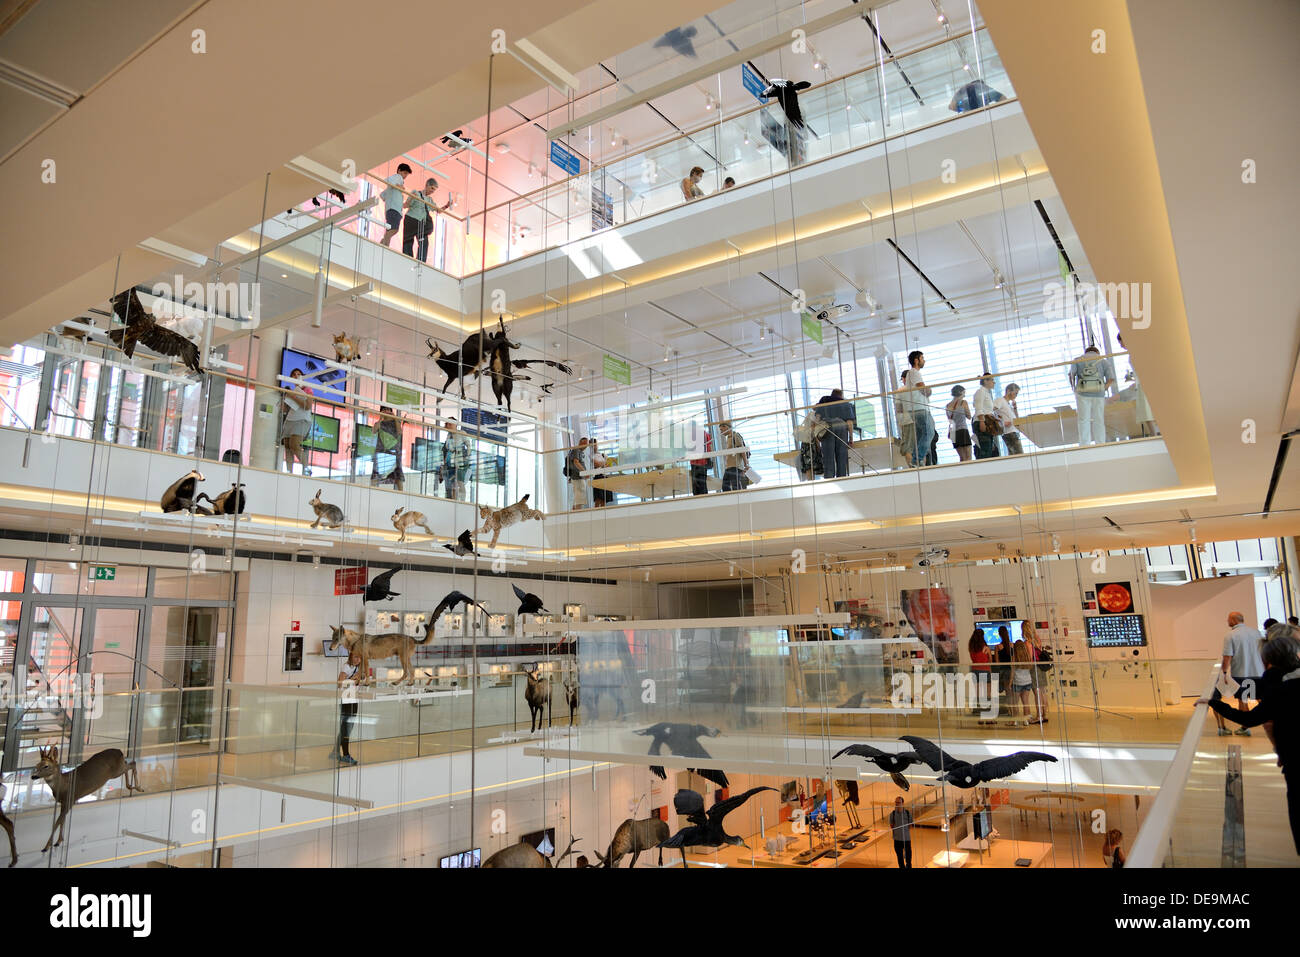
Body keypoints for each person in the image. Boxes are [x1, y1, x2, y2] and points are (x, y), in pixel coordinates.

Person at [1202, 630, 1300, 855]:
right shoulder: (1283, 685)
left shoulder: (1281, 692)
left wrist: (1215, 703)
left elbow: (1250, 719)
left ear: (1269, 662)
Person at [1212, 611, 1266, 736]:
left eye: (1228, 619)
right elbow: (1263, 652)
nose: (1227, 621)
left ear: (1234, 620)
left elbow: (1227, 656)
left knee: (1243, 701)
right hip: (1258, 672)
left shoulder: (1230, 635)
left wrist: (1225, 672)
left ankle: (1245, 727)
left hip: (1241, 674)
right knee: (1260, 698)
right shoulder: (1256, 632)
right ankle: (1271, 721)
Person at [1068, 344, 1116, 446]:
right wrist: (1104, 388)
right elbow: (1111, 378)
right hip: (1099, 394)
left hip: (1082, 394)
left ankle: (1085, 444)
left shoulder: (1078, 360)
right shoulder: (1103, 361)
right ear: (1097, 352)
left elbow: (1071, 375)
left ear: (1086, 352)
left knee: (1083, 419)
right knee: (1098, 419)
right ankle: (1100, 443)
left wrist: (1074, 389)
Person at [401, 177, 449, 263]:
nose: (432, 191)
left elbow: (438, 210)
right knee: (408, 241)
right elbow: (405, 206)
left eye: (434, 190)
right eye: (432, 188)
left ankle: (420, 262)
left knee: (424, 243)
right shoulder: (416, 193)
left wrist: (447, 206)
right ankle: (407, 260)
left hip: (421, 223)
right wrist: (412, 197)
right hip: (411, 219)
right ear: (427, 185)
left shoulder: (429, 200)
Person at [280, 368, 314, 475]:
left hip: (302, 420)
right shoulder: (292, 390)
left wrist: (293, 397)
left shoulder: (307, 389)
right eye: (294, 374)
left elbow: (307, 406)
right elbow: (284, 409)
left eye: (298, 374)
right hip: (290, 419)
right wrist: (285, 399)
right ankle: (289, 471)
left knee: (294, 445)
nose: (296, 376)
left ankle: (306, 468)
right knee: (287, 446)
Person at [902, 351, 934, 468]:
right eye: (922, 358)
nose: (924, 360)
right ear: (916, 360)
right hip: (919, 408)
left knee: (922, 434)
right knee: (929, 432)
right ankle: (917, 459)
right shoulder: (914, 372)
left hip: (917, 408)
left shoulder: (913, 373)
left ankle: (918, 459)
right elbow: (924, 389)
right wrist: (929, 390)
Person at [330, 649, 361, 766]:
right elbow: (339, 683)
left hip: (353, 698)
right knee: (346, 728)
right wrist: (353, 679)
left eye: (359, 657)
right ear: (351, 657)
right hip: (346, 698)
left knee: (346, 727)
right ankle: (345, 754)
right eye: (355, 657)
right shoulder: (347, 667)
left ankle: (335, 751)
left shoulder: (359, 668)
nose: (357, 659)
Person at [819, 388, 856, 479]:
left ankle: (829, 480)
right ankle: (842, 479)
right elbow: (849, 423)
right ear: (841, 395)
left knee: (828, 458)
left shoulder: (824, 400)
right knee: (841, 457)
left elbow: (817, 417)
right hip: (841, 427)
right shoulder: (845, 403)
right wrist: (851, 438)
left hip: (827, 428)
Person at [1023, 621, 1051, 723]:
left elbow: (1030, 658)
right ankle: (1044, 714)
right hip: (1041, 667)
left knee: (1037, 693)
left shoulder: (1028, 642)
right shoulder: (1037, 639)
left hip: (1034, 668)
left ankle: (1039, 716)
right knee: (1043, 692)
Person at [371, 405, 404, 491]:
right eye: (384, 410)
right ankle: (372, 493)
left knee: (397, 477)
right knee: (376, 476)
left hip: (394, 453)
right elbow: (374, 431)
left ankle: (401, 495)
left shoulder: (396, 422)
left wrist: (395, 417)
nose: (386, 411)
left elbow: (400, 432)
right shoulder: (379, 423)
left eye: (388, 409)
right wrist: (380, 418)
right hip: (381, 452)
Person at [380, 162, 412, 246]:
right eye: (405, 173)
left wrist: (399, 188)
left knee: (390, 229)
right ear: (399, 171)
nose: (405, 176)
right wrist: (400, 187)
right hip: (394, 209)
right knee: (394, 229)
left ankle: (385, 244)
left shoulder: (395, 186)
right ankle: (383, 242)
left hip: (393, 209)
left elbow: (382, 195)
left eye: (407, 174)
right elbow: (388, 180)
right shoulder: (398, 177)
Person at [971, 373, 1000, 459]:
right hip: (982, 421)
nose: (994, 382)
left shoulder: (986, 393)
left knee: (989, 449)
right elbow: (978, 407)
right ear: (985, 381)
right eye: (992, 380)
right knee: (985, 449)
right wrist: (981, 421)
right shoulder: (980, 391)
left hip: (987, 422)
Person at [442, 420, 471, 501]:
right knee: (452, 483)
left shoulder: (461, 433)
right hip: (450, 461)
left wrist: (467, 456)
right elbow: (446, 449)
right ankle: (454, 499)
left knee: (460, 481)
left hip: (460, 460)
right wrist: (444, 462)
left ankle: (462, 500)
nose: (447, 425)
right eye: (447, 423)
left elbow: (468, 445)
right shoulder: (449, 435)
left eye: (449, 424)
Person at [1010, 640, 1035, 727]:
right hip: (1028, 682)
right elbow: (1031, 668)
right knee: (1026, 702)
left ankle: (1015, 721)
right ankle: (1026, 720)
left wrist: (1010, 683)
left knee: (1015, 703)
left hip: (1017, 682)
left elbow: (1012, 672)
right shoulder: (1027, 656)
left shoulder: (1014, 657)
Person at [995, 383, 1023, 455]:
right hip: (1009, 432)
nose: (1016, 395)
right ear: (1008, 391)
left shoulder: (1009, 404)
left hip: (1013, 431)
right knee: (1019, 454)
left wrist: (1015, 408)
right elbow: (991, 412)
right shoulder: (1000, 400)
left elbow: (1016, 419)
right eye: (1015, 393)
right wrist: (1002, 423)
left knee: (1015, 454)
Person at [894, 372, 916, 468]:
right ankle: (923, 468)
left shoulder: (901, 390)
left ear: (904, 378)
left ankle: (913, 468)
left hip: (908, 421)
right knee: (919, 447)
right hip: (921, 420)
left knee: (907, 447)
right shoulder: (919, 389)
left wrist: (900, 422)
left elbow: (899, 408)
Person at [947, 385, 973, 461]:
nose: (964, 395)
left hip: (953, 432)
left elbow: (950, 420)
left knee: (962, 457)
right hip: (962, 429)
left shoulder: (948, 406)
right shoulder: (963, 402)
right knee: (968, 456)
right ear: (960, 392)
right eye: (964, 393)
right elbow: (969, 416)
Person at [567, 437, 592, 509]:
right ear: (582, 443)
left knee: (577, 498)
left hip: (578, 477)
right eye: (586, 444)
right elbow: (576, 462)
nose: (586, 446)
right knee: (580, 499)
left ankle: (574, 515)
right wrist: (584, 472)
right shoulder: (576, 450)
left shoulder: (578, 451)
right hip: (578, 478)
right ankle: (578, 515)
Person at [690, 424, 715, 494]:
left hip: (697, 462)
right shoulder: (706, 435)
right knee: (702, 482)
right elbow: (709, 448)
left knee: (697, 484)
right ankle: (703, 497)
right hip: (702, 462)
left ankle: (699, 498)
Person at [889, 796, 913, 868]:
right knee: (900, 859)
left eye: (898, 803)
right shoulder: (892, 814)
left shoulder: (908, 813)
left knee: (908, 859)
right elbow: (892, 825)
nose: (897, 804)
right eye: (896, 802)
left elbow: (910, 825)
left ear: (903, 803)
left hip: (906, 839)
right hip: (897, 840)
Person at [590, 439, 610, 507]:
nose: (595, 447)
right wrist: (604, 462)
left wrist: (602, 463)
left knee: (604, 499)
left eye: (596, 445)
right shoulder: (590, 455)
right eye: (593, 446)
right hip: (597, 477)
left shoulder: (602, 454)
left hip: (604, 476)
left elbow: (608, 465)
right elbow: (596, 464)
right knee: (598, 499)